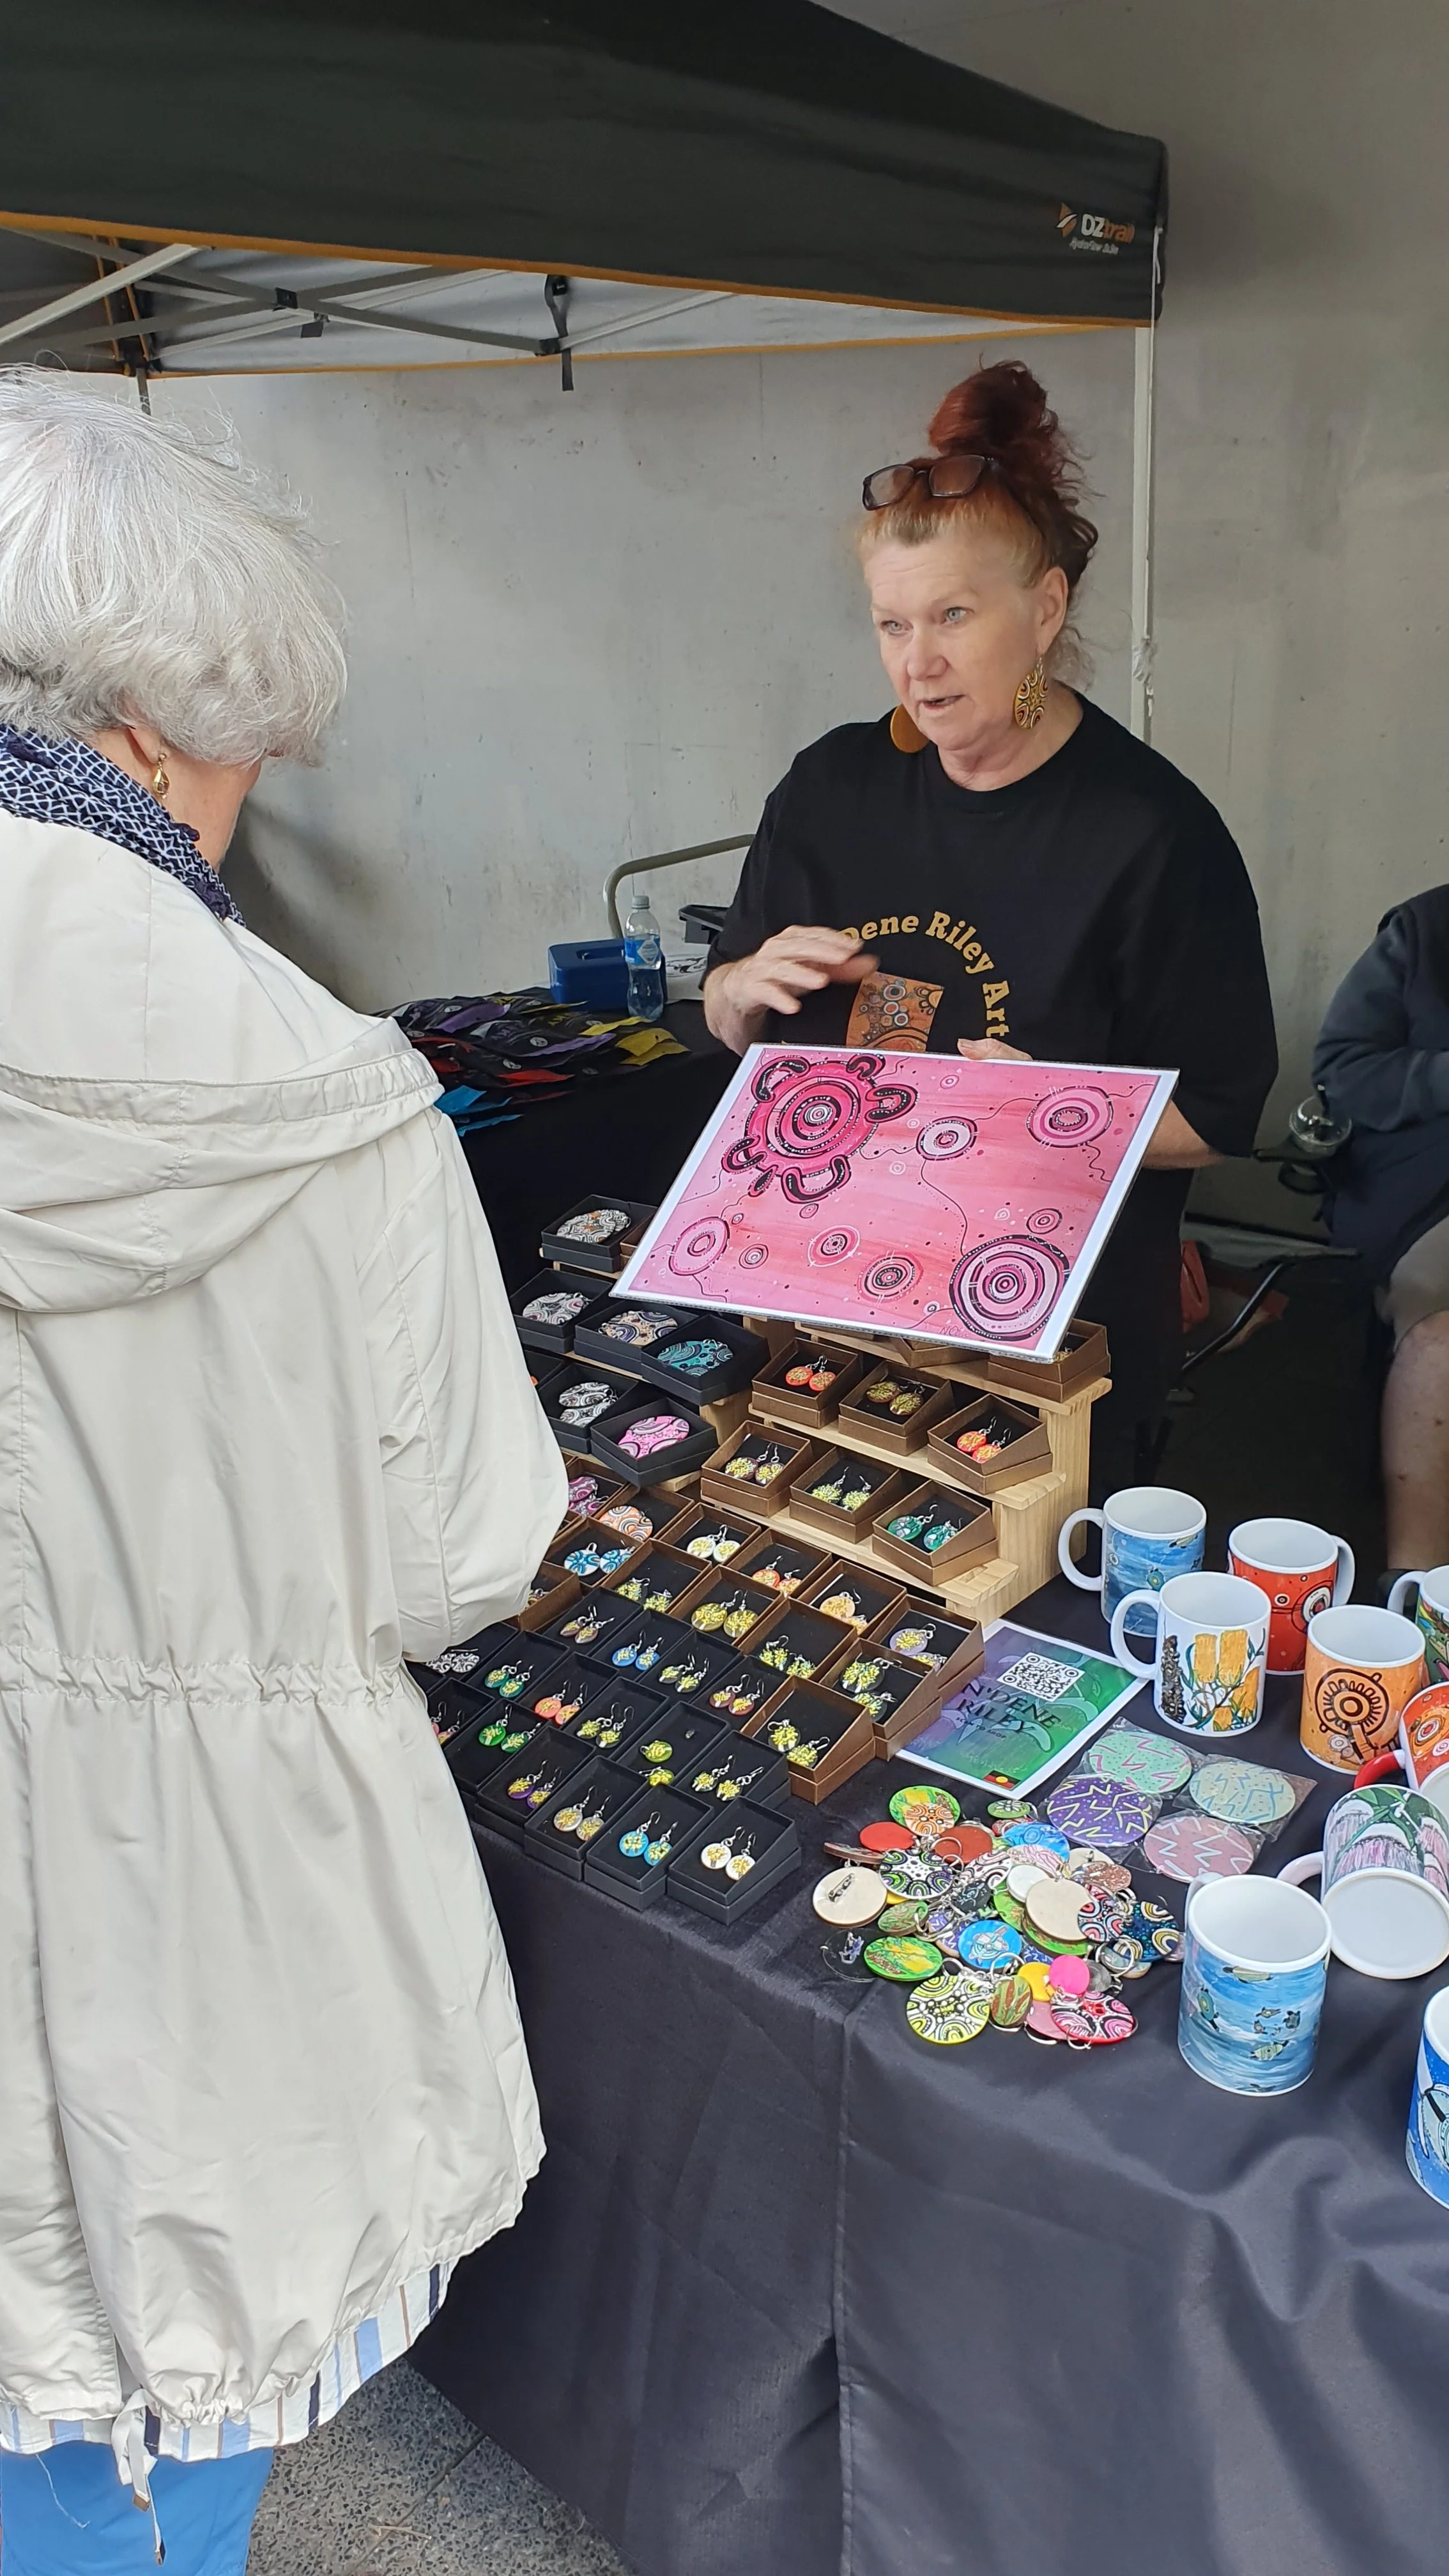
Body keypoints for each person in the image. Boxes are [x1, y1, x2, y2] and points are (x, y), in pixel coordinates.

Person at [0, 374, 564, 2575]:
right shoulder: (336, 1105)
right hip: (202, 1930)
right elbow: (460, 1560)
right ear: (151, 739)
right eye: (245, 765)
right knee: (133, 2468)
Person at [704, 361, 1278, 1480]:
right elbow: (740, 1027)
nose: (917, 665)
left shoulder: (1148, 833)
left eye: (953, 616)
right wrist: (731, 993)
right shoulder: (829, 789)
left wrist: (1044, 1116)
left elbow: (1218, 1114)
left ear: (1045, 607)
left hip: (1049, 1343)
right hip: (829, 1308)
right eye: (890, 624)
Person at [1314, 891, 1449, 1576]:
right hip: (1433, 1192)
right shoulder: (1426, 932)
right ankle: (1417, 1596)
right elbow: (1343, 1075)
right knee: (1440, 1337)